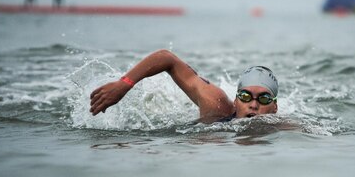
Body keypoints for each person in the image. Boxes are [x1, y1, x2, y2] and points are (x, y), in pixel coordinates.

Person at [89, 49, 278, 122]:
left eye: (263, 98)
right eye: (245, 96)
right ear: (236, 101)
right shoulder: (216, 104)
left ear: (275, 107)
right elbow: (167, 58)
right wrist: (124, 84)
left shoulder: (281, 129)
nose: (254, 104)